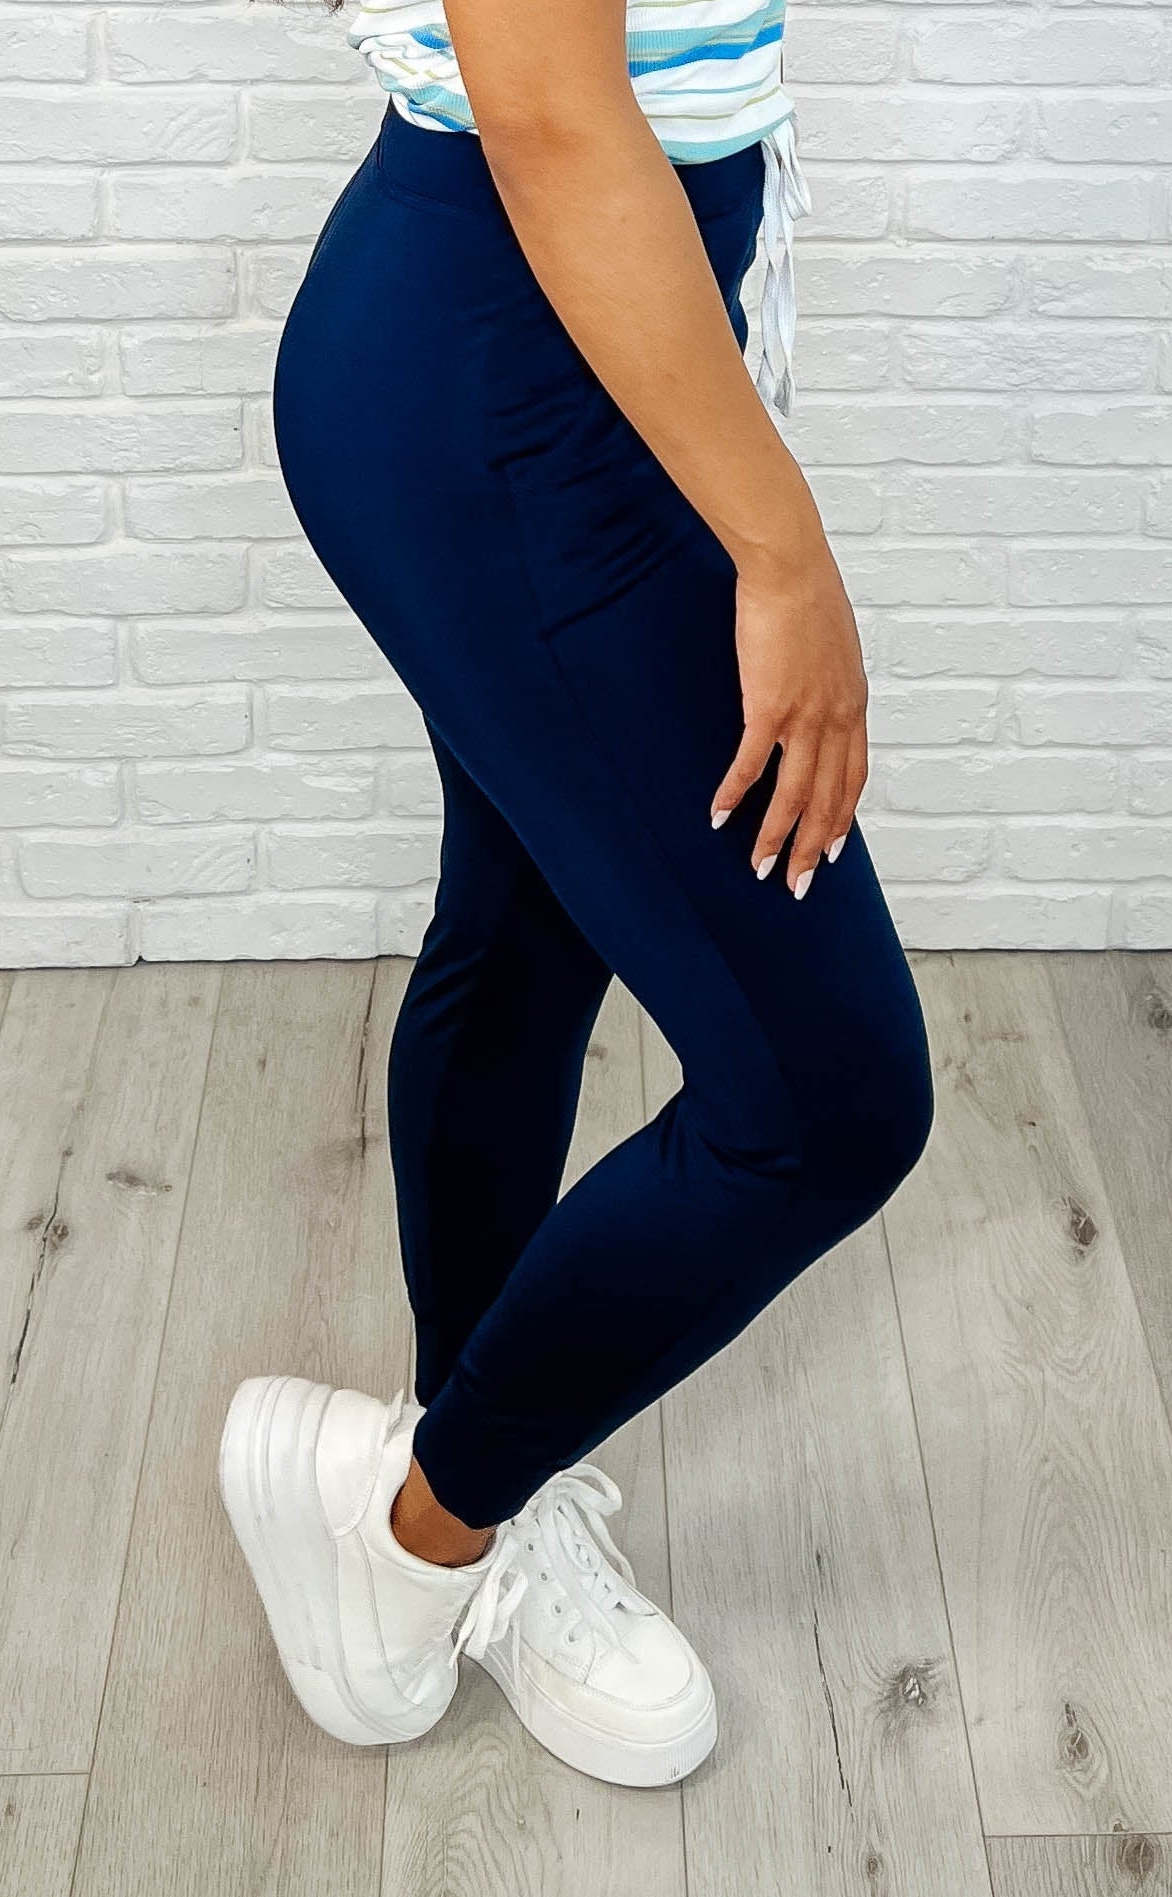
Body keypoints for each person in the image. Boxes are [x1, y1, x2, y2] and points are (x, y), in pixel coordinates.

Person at [218, 0, 935, 1789]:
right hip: (513, 345)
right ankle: (417, 1528)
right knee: (827, 1099)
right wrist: (783, 554)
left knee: (525, 927)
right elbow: (544, 108)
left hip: (580, 323)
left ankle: (472, 1445)